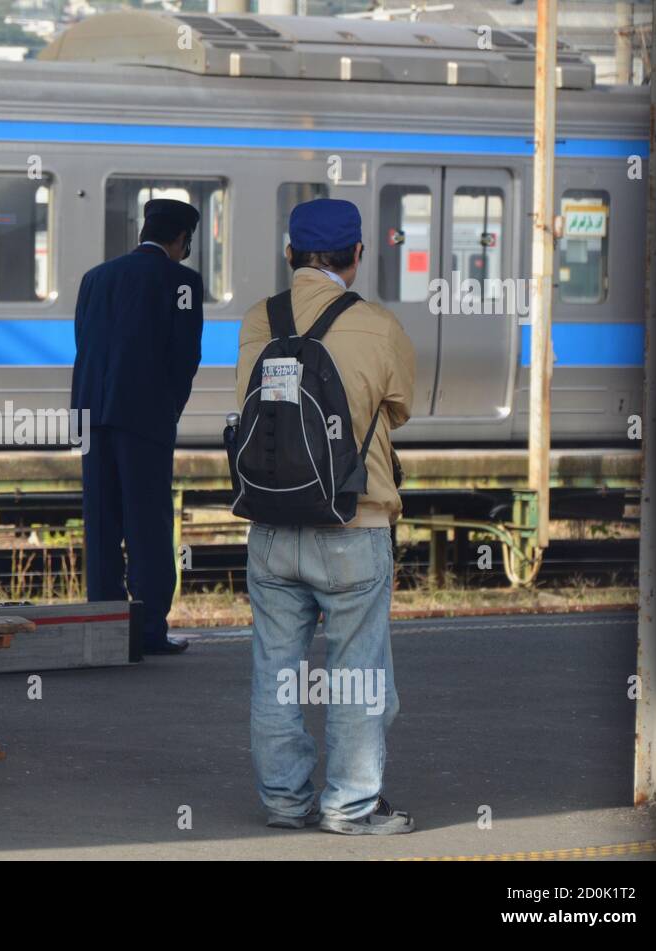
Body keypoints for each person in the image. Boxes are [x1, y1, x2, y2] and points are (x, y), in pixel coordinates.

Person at [235, 198, 416, 834]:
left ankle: (285, 803)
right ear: (357, 256)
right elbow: (398, 409)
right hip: (353, 526)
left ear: (290, 256)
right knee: (357, 675)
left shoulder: (259, 319)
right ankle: (350, 806)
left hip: (271, 526)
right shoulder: (379, 324)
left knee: (277, 674)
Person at [71, 198, 204, 655]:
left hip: (92, 415)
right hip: (144, 418)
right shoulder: (183, 282)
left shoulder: (95, 278)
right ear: (182, 240)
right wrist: (167, 409)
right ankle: (148, 629)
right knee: (147, 523)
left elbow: (83, 345)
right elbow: (185, 359)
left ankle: (105, 628)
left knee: (102, 520)